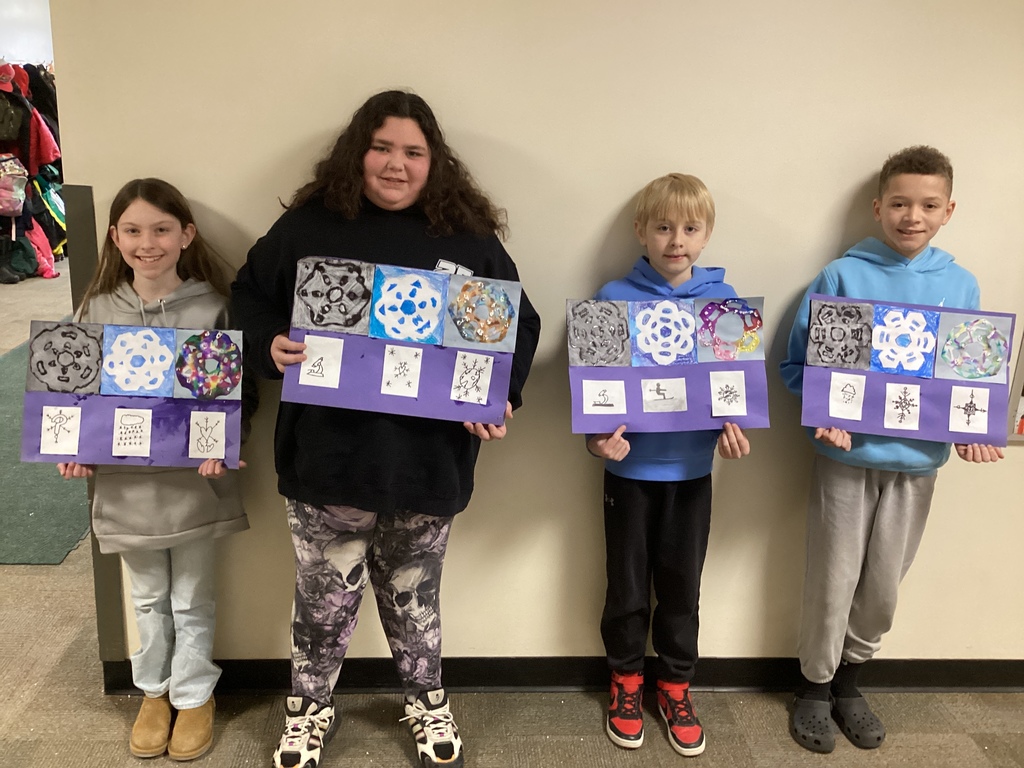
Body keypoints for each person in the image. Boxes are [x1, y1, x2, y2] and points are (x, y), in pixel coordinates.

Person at [231, 89, 541, 768]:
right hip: (327, 459)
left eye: (413, 152)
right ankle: (309, 709)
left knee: (414, 596)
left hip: (426, 462)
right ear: (356, 153)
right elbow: (248, 293)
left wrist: (500, 394)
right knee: (322, 600)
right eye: (381, 148)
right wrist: (267, 344)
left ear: (436, 163)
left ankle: (425, 698)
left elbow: (519, 326)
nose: (395, 164)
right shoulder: (311, 226)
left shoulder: (466, 238)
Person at [779, 145, 1004, 754]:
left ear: (949, 210)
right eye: (901, 203)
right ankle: (814, 689)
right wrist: (823, 414)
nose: (913, 216)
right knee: (833, 577)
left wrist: (973, 429)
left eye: (929, 205)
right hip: (846, 461)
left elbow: (965, 377)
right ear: (878, 207)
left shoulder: (960, 284)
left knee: (883, 585)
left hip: (917, 464)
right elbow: (798, 365)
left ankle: (852, 682)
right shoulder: (843, 276)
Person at [58, 178, 254, 760]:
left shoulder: (213, 307)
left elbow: (230, 398)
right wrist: (69, 444)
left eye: (162, 229)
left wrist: (223, 440)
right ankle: (154, 692)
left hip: (193, 483)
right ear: (115, 238)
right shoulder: (94, 309)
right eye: (135, 230)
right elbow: (71, 394)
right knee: (146, 596)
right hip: (123, 486)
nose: (149, 243)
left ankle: (194, 695)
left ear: (185, 234)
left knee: (192, 594)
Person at [585, 173, 750, 758]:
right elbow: (595, 399)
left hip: (693, 474)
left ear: (706, 236)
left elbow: (734, 395)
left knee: (682, 586)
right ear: (641, 232)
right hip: (627, 475)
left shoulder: (724, 308)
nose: (675, 239)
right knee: (627, 587)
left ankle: (676, 685)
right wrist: (596, 443)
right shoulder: (612, 299)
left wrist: (734, 433)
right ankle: (626, 682)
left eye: (689, 227)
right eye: (662, 226)